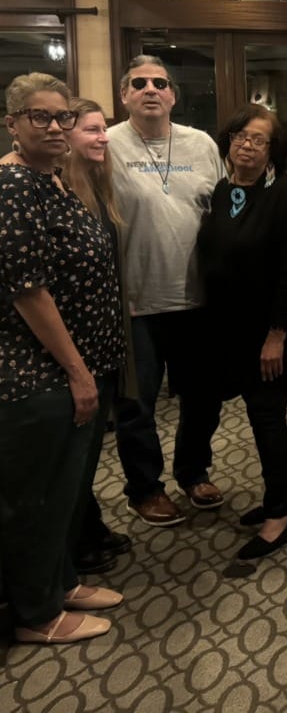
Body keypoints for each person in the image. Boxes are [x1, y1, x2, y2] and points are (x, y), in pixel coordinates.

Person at [0, 73, 124, 644]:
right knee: (39, 495)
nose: (54, 126)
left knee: (66, 489)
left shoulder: (54, 182)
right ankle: (36, 613)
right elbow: (29, 291)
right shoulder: (14, 186)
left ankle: (63, 580)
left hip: (82, 365)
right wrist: (77, 372)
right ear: (13, 124)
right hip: (42, 374)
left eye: (62, 117)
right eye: (39, 117)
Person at [196, 105, 287, 560]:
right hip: (234, 333)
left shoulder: (284, 196)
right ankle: (279, 495)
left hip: (275, 334)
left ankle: (282, 511)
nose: (247, 144)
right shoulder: (223, 190)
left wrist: (277, 334)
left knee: (267, 415)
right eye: (240, 136)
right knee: (258, 414)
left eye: (259, 139)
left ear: (274, 151)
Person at [108, 55, 225, 527]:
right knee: (136, 405)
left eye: (160, 83)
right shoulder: (105, 144)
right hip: (135, 301)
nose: (150, 89)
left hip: (197, 299)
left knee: (202, 397)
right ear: (125, 95)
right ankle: (145, 487)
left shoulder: (201, 144)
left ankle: (193, 471)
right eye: (139, 83)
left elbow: (223, 212)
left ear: (174, 95)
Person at [61, 98, 133, 575]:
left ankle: (87, 527)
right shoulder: (54, 192)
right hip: (72, 349)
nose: (103, 137)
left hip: (104, 342)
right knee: (70, 457)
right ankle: (71, 548)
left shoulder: (98, 188)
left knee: (86, 455)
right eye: (91, 130)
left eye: (103, 129)